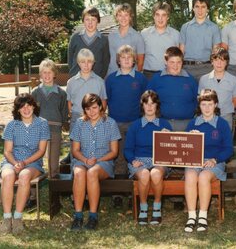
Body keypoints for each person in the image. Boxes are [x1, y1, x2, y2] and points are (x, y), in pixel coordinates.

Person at [0, 93, 50, 235]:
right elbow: (7, 151)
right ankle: (7, 217)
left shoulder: (42, 123)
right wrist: (15, 163)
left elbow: (41, 150)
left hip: (33, 162)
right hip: (12, 161)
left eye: (28, 105)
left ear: (34, 106)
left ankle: (17, 218)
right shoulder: (11, 125)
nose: (26, 109)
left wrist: (25, 162)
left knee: (24, 176)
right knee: (8, 176)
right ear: (18, 110)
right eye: (22, 107)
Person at [184, 89, 233, 233]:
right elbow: (184, 148)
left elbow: (228, 149)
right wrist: (190, 138)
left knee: (204, 177)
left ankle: (203, 216)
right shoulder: (193, 123)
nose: (206, 108)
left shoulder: (222, 124)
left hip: (215, 162)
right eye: (203, 104)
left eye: (210, 104)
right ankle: (192, 216)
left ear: (215, 104)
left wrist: (215, 159)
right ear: (199, 105)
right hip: (195, 161)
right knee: (191, 175)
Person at [70, 93, 121, 231]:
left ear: (100, 107)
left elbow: (114, 152)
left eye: (94, 108)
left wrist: (97, 160)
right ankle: (78, 216)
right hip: (82, 160)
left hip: (103, 162)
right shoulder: (80, 123)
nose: (91, 112)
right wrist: (85, 159)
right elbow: (75, 150)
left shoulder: (110, 123)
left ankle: (93, 217)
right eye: (87, 109)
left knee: (92, 173)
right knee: (79, 173)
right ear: (84, 110)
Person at [105, 45, 147, 207]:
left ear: (134, 60)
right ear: (118, 60)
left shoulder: (140, 79)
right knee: (119, 157)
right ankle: (118, 192)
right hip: (115, 124)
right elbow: (105, 101)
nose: (127, 60)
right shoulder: (111, 79)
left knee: (135, 157)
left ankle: (133, 193)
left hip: (135, 124)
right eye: (123, 58)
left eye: (130, 57)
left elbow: (146, 102)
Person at [124, 90, 173, 225]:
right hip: (139, 160)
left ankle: (157, 207)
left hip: (159, 160)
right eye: (147, 103)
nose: (150, 107)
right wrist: (133, 160)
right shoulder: (135, 125)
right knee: (145, 175)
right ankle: (143, 208)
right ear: (142, 106)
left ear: (157, 105)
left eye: (153, 103)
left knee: (156, 174)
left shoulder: (165, 125)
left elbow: (172, 151)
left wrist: (168, 137)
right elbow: (128, 149)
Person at [63, 49, 107, 166]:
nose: (86, 65)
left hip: (95, 118)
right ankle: (75, 173)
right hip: (77, 117)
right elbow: (69, 101)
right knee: (76, 149)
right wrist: (72, 115)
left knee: (94, 146)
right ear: (78, 63)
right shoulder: (71, 82)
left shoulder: (99, 81)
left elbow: (103, 101)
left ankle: (94, 172)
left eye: (89, 62)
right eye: (83, 62)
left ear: (93, 63)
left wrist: (99, 115)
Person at [32, 59, 68, 179]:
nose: (47, 75)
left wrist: (64, 123)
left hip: (55, 128)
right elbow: (31, 112)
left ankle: (54, 187)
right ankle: (32, 192)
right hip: (38, 129)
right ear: (40, 75)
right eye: (44, 72)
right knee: (35, 158)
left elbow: (64, 110)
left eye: (50, 72)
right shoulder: (35, 92)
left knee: (54, 159)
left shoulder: (61, 93)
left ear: (54, 74)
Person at [147, 46, 198, 131]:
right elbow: (147, 100)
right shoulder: (156, 79)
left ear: (182, 62)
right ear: (166, 62)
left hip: (186, 125)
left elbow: (197, 101)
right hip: (161, 124)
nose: (175, 66)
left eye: (178, 62)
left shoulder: (190, 80)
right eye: (172, 62)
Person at [179, 0, 221, 81]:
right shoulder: (185, 27)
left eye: (203, 7)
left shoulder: (214, 28)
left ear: (208, 9)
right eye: (197, 6)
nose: (200, 10)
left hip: (207, 69)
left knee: (206, 95)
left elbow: (216, 51)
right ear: (193, 8)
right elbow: (181, 51)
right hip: (187, 69)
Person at [198, 47, 236, 130]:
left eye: (222, 60)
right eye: (216, 60)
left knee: (226, 141)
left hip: (226, 117)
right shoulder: (204, 79)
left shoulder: (234, 80)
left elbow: (235, 101)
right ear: (212, 61)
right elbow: (200, 99)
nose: (219, 63)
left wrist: (225, 111)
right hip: (207, 118)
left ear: (227, 62)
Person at [68, 6, 110, 78]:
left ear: (98, 21)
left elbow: (105, 63)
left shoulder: (103, 40)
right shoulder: (75, 38)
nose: (90, 23)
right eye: (87, 19)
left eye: (93, 19)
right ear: (83, 21)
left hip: (95, 82)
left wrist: (99, 78)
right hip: (76, 81)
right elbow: (70, 60)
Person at [141, 2, 180, 80]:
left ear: (168, 17)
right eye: (157, 15)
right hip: (148, 76)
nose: (160, 18)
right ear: (153, 16)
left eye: (164, 15)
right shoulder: (144, 34)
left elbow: (179, 58)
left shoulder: (176, 34)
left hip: (168, 75)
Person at [107, 3, 145, 75]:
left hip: (131, 76)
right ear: (116, 17)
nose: (123, 18)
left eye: (126, 15)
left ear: (130, 17)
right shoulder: (110, 36)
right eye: (120, 15)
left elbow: (140, 62)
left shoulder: (137, 36)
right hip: (113, 75)